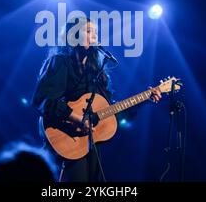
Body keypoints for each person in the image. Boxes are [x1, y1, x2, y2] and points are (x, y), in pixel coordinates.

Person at [32, 17, 162, 182]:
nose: (94, 36)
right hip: (66, 140)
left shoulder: (97, 73)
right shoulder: (60, 62)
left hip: (89, 146)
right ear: (73, 36)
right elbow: (42, 99)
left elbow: (110, 113)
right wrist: (75, 117)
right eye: (88, 31)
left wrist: (145, 99)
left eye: (95, 32)